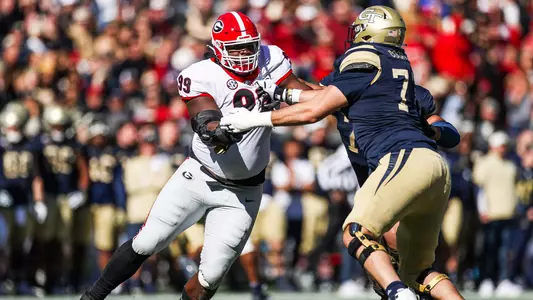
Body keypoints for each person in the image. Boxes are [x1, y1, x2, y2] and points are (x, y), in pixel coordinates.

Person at [220, 6, 463, 300]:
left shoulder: (365, 61)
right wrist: (281, 92)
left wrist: (254, 116)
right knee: (418, 271)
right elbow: (323, 95)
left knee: (357, 232)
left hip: (401, 159)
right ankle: (405, 288)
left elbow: (316, 108)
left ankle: (399, 294)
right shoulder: (400, 84)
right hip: (431, 167)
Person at [80, 11, 311, 300]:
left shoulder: (271, 58)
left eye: (249, 46)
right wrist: (219, 131)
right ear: (217, 48)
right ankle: (92, 296)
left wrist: (335, 96)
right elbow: (205, 119)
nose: (244, 54)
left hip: (244, 191)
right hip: (198, 177)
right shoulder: (199, 73)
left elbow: (303, 95)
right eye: (235, 48)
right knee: (148, 241)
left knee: (210, 277)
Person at [39, 105, 90, 293]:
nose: (57, 130)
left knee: (65, 239)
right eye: (54, 126)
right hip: (50, 196)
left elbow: (83, 169)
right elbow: (37, 172)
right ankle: (50, 278)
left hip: (67, 196)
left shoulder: (73, 145)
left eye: (61, 126)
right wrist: (38, 197)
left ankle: (67, 278)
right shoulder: (41, 144)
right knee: (48, 239)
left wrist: (81, 192)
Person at [0, 103, 45, 295]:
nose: (13, 131)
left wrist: (39, 201)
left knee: (20, 244)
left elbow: (36, 175)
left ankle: (17, 279)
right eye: (11, 127)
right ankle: (3, 279)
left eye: (17, 126)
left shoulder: (30, 146)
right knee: (2, 243)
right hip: (3, 203)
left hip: (22, 202)